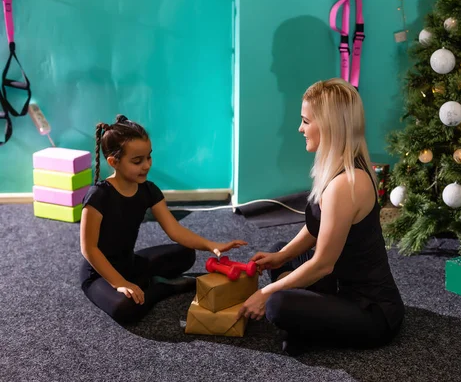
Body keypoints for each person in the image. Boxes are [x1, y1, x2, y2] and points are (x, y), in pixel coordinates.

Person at [237, 78, 405, 355]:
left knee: (277, 304)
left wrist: (264, 293)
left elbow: (322, 265)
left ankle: (304, 324)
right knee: (280, 251)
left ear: (328, 125)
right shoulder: (337, 166)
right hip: (338, 282)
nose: (300, 128)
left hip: (370, 311)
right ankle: (306, 321)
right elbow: (316, 227)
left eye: (305, 121)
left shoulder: (346, 185)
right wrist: (280, 259)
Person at [79, 114, 247, 324]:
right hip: (99, 274)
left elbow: (174, 230)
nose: (146, 165)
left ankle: (144, 283)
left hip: (130, 264)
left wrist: (210, 245)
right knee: (125, 310)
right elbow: (89, 249)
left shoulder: (148, 190)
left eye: (148, 157)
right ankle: (162, 288)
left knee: (186, 254)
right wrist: (119, 283)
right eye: (137, 161)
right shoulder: (98, 195)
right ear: (114, 162)